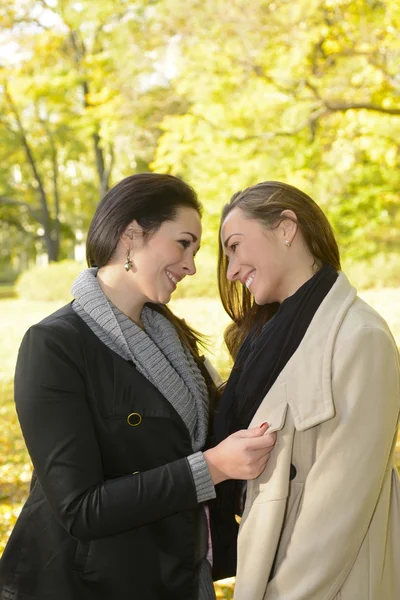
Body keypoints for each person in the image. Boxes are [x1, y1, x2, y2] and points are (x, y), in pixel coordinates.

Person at [0, 173, 276, 600]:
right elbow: (80, 508)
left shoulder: (172, 337)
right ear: (131, 235)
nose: (191, 266)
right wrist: (215, 466)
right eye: (183, 243)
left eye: (196, 250)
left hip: (176, 573)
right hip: (88, 585)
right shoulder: (55, 344)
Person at [214, 180, 400, 600]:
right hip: (272, 570)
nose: (230, 270)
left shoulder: (360, 337)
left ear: (285, 228)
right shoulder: (269, 338)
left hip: (326, 584)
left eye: (236, 246)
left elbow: (340, 509)